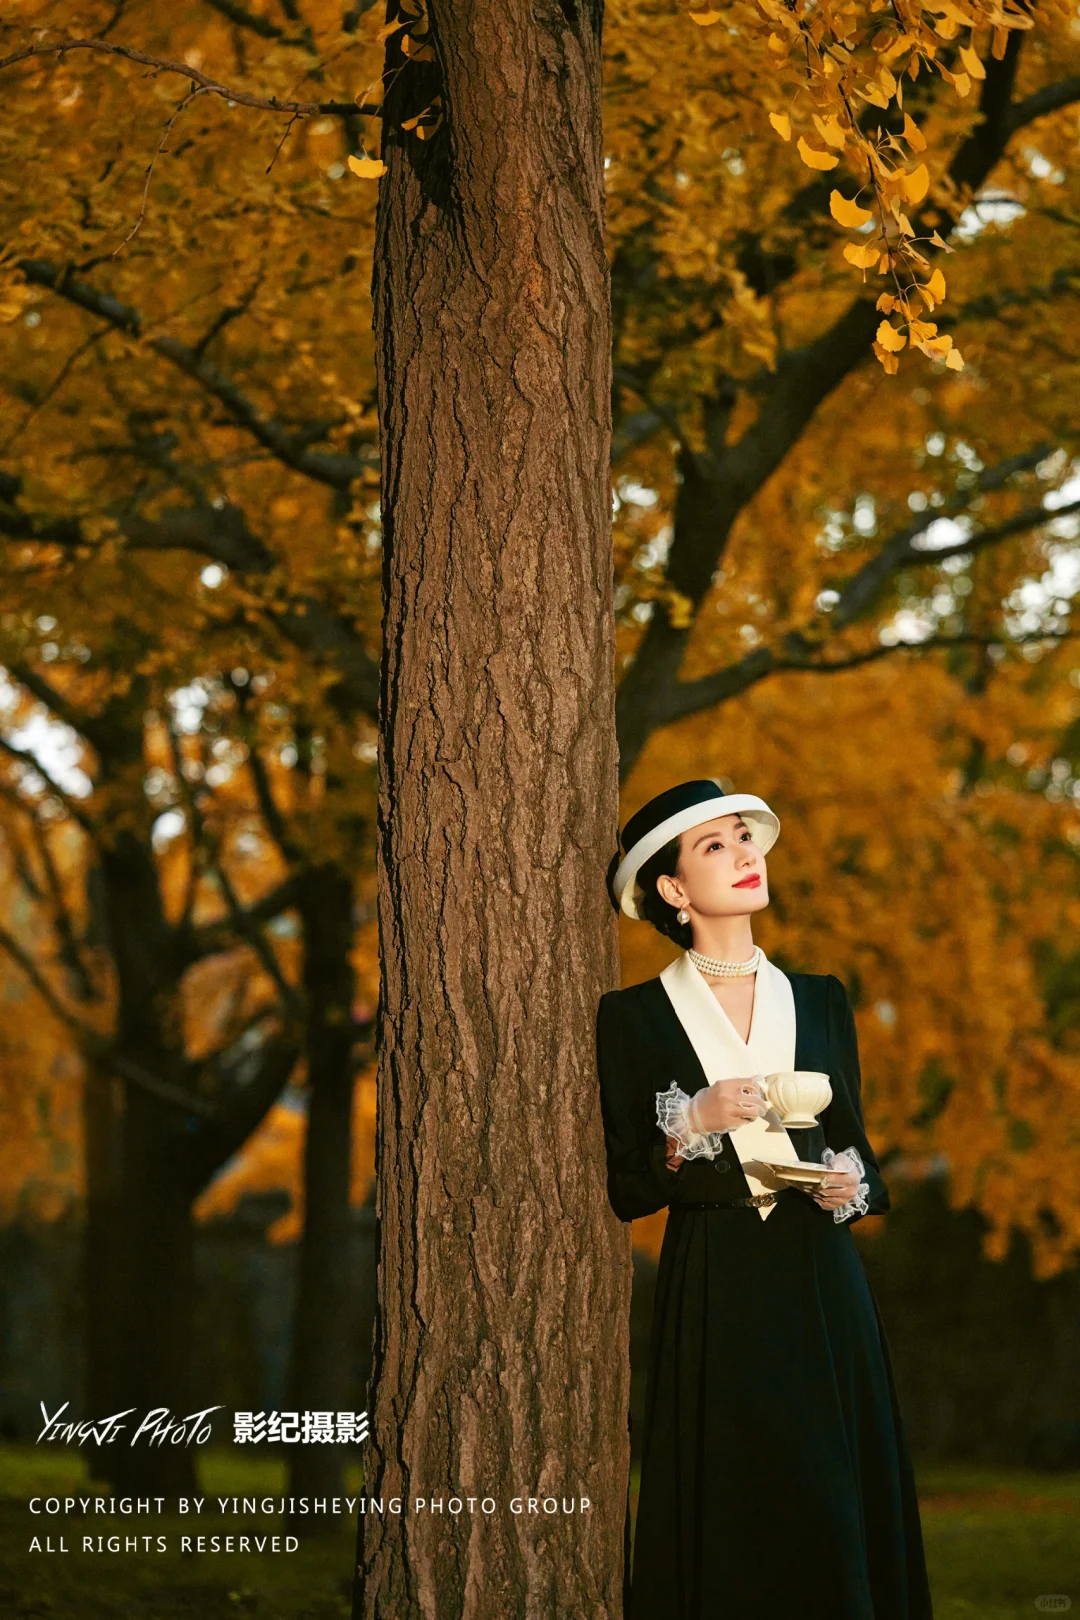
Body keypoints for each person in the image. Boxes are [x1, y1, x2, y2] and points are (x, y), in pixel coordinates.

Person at [597, 779, 934, 1620]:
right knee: (733, 1492)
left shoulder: (820, 997)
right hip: (716, 1275)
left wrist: (852, 1184)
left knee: (833, 1483)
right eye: (716, 847)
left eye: (744, 837)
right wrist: (696, 1122)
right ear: (672, 890)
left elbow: (863, 1156)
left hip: (822, 1276)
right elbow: (628, 1188)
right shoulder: (630, 1019)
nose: (747, 855)